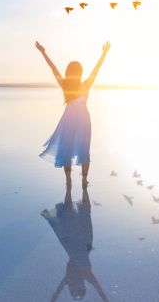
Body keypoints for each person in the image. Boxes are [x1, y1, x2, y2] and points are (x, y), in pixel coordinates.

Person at [35, 41, 110, 190]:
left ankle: (69, 180)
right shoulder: (85, 85)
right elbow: (97, 69)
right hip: (83, 120)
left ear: (69, 73)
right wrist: (104, 53)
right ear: (80, 73)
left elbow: (53, 68)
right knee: (84, 149)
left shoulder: (65, 85)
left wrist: (43, 52)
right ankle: (84, 181)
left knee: (66, 150)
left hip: (68, 120)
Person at [41, 188, 109, 301]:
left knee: (81, 215)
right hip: (75, 244)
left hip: (80, 243)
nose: (78, 287)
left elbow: (58, 291)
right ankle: (77, 186)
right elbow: (99, 289)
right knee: (78, 216)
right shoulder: (82, 275)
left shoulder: (76, 277)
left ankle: (76, 186)